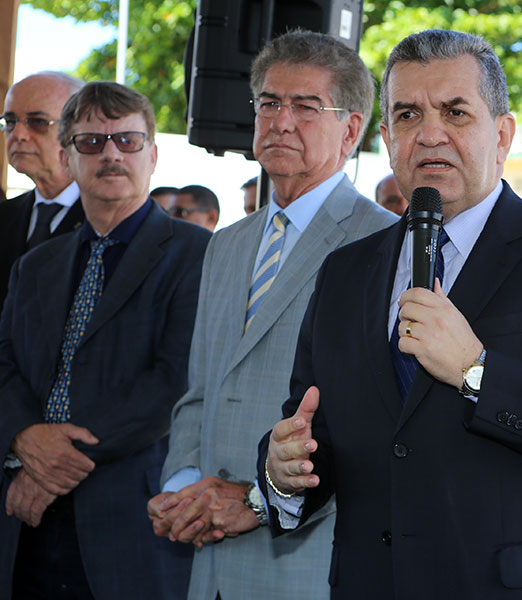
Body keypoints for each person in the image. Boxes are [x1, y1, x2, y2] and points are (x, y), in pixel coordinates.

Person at [260, 29, 522, 599]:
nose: (430, 134)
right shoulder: (344, 271)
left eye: (455, 112)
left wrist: (476, 372)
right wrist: (283, 470)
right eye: (408, 115)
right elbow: (308, 426)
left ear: (503, 134)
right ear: (387, 138)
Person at [147, 30, 397, 600]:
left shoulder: (384, 244)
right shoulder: (226, 244)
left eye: (306, 107)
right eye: (269, 103)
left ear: (351, 130)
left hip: (309, 563)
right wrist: (186, 488)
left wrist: (260, 502)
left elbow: (374, 425)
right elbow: (200, 391)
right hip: (210, 559)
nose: (281, 121)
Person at [0, 81, 209, 599]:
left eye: (128, 141)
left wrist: (51, 463)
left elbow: (175, 378)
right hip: (25, 524)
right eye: (91, 142)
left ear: (153, 155)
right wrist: (24, 437)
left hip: (132, 521)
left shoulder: (199, 254)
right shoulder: (36, 265)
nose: (111, 154)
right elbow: (4, 362)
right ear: (68, 158)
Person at [0, 72, 85, 309]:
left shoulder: (107, 220)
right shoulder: (5, 215)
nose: (18, 135)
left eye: (37, 122)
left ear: (81, 130)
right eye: (10, 121)